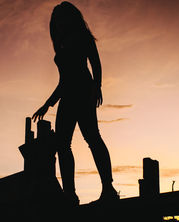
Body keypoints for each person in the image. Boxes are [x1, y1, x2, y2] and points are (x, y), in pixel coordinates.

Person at [33, 1, 119, 205]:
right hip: (67, 97)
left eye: (62, 17)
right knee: (63, 145)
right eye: (56, 19)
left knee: (92, 138)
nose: (58, 22)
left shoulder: (83, 37)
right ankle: (69, 195)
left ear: (70, 17)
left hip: (82, 93)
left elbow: (95, 64)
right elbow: (64, 81)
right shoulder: (61, 44)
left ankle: (108, 189)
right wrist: (48, 103)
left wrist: (96, 87)